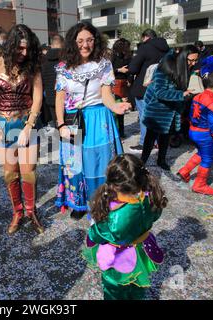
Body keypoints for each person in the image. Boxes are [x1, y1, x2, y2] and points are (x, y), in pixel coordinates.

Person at [55, 22, 130, 220]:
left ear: (95, 40)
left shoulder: (103, 63)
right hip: (73, 119)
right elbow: (59, 98)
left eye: (89, 40)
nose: (85, 45)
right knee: (75, 164)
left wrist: (115, 107)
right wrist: (61, 124)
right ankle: (79, 203)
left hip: (99, 118)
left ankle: (100, 203)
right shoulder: (64, 68)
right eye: (80, 41)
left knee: (99, 163)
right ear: (73, 43)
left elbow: (106, 94)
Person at [0, 24, 44, 234]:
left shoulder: (33, 65)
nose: (24, 53)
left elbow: (37, 98)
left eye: (27, 48)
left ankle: (31, 212)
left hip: (26, 123)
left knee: (29, 173)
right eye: (20, 48)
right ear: (10, 46)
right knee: (10, 174)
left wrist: (29, 126)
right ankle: (17, 212)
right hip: (2, 125)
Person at [82, 154, 167, 300]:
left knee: (114, 288)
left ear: (115, 186)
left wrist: (94, 228)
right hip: (141, 249)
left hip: (119, 256)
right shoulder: (151, 196)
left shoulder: (118, 218)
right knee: (138, 284)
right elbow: (155, 215)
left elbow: (100, 233)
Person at [141, 45, 200, 171]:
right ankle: (142, 162)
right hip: (157, 110)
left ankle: (161, 160)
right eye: (190, 60)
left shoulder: (185, 68)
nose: (193, 63)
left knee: (165, 138)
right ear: (183, 58)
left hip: (172, 110)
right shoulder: (165, 67)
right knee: (150, 138)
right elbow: (159, 92)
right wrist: (181, 94)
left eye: (195, 60)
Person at [177, 71, 213, 195]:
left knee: (201, 153)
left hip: (193, 131)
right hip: (205, 135)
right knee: (207, 159)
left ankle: (185, 170)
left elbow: (190, 114)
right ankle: (199, 185)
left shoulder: (198, 96)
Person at [127, 29, 169, 153]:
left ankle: (145, 143)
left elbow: (133, 68)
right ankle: (156, 141)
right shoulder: (167, 49)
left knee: (145, 116)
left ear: (145, 37)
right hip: (160, 86)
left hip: (144, 88)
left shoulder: (145, 48)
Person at [41, 34, 64, 130]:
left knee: (57, 125)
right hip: (65, 99)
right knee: (70, 126)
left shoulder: (44, 60)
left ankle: (59, 143)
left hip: (50, 97)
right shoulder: (66, 58)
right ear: (63, 44)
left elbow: (42, 79)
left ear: (52, 45)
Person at [111, 38, 132, 139]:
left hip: (124, 84)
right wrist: (120, 70)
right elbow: (109, 71)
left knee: (122, 109)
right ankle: (116, 132)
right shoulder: (113, 55)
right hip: (115, 83)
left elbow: (131, 69)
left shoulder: (127, 56)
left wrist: (129, 79)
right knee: (115, 109)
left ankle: (121, 132)